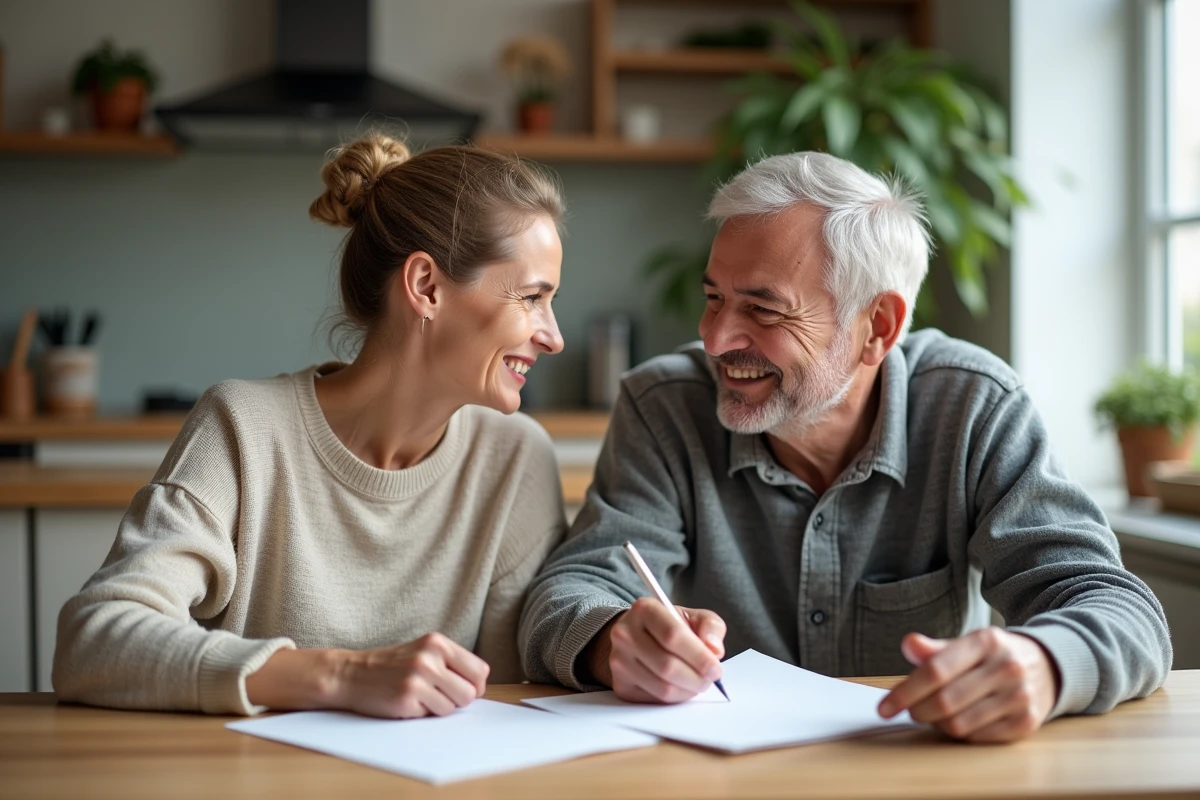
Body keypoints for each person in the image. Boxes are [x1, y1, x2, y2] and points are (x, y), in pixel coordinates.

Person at [520, 151, 1171, 743]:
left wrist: (1048, 664)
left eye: (764, 311)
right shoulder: (664, 407)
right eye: (714, 299)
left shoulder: (973, 407)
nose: (717, 339)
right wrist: (611, 640)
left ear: (877, 327)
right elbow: (572, 589)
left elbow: (1117, 607)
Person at [54, 134, 569, 719]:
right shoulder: (242, 430)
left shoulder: (516, 459)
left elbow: (511, 708)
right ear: (426, 286)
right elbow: (93, 638)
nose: (554, 336)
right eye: (531, 298)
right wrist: (341, 674)